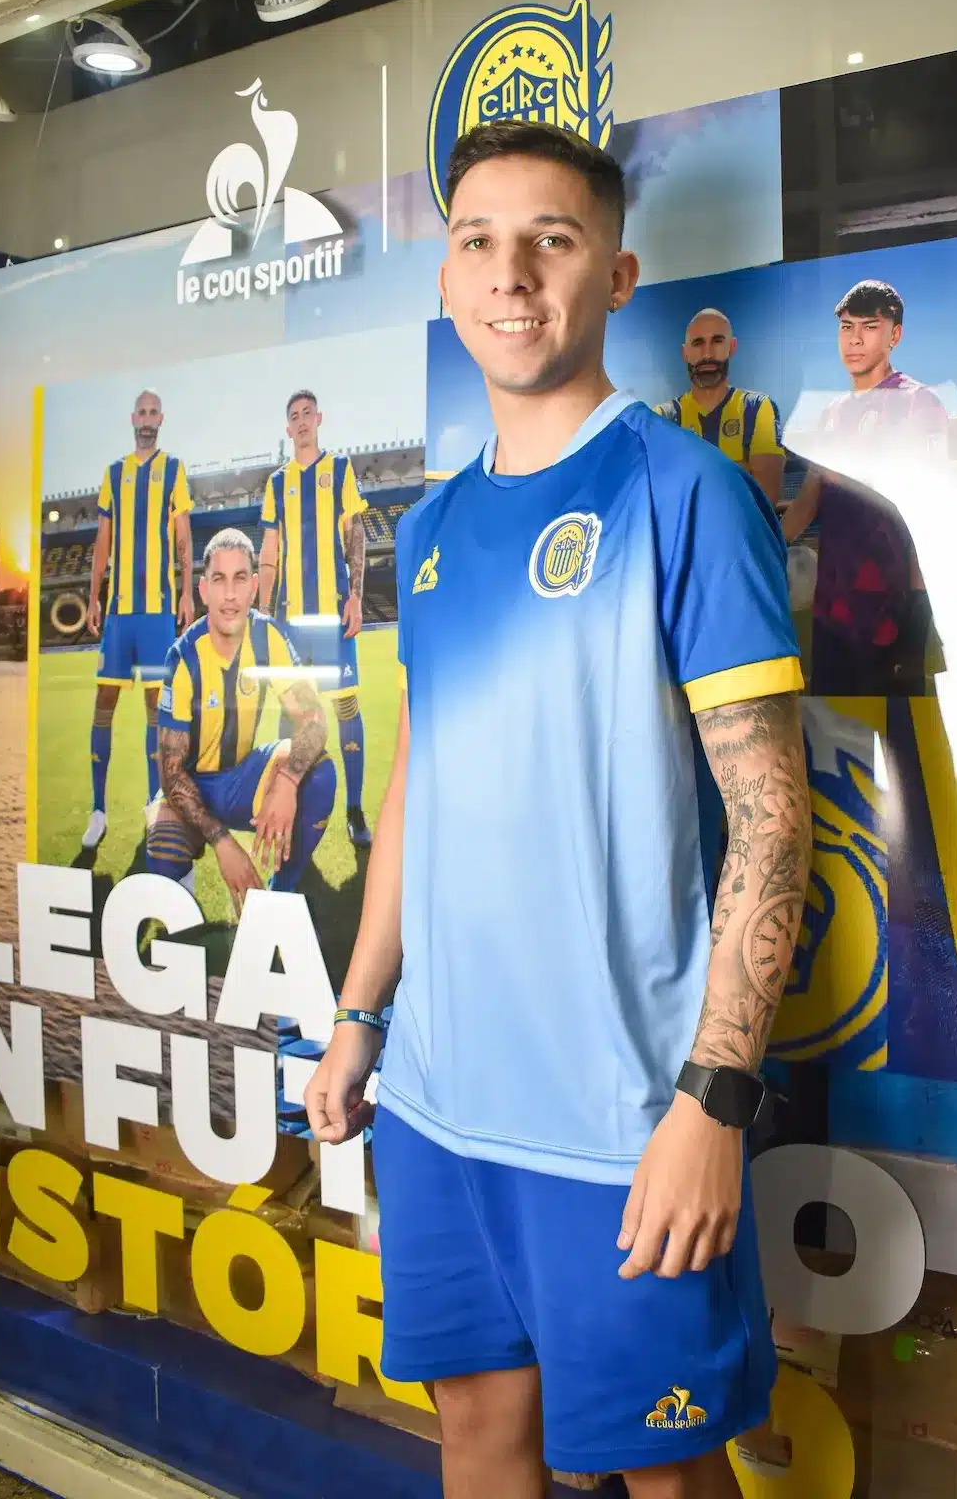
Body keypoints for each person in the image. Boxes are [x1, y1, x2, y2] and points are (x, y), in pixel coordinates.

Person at [304, 119, 811, 1499]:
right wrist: (360, 1016)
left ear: (617, 275)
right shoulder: (429, 531)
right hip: (438, 1103)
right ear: (447, 278)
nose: (510, 272)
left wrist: (712, 1102)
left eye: (551, 239)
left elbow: (773, 818)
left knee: (666, 1474)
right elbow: (419, 783)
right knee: (478, 1434)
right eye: (477, 241)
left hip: (621, 1121)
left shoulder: (684, 491)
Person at [147, 527, 335, 911]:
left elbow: (315, 719)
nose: (230, 594)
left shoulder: (268, 638)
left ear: (253, 587)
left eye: (239, 579)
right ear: (203, 590)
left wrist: (286, 782)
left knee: (319, 774)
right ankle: (183, 879)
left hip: (240, 780)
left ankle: (277, 896)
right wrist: (222, 841)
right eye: (219, 580)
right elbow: (171, 773)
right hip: (193, 785)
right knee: (164, 848)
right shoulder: (183, 657)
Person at [782, 281, 946, 696]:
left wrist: (917, 613)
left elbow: (929, 513)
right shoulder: (831, 414)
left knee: (893, 730)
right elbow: (809, 500)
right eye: (846, 327)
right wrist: (764, 547)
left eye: (869, 327)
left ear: (895, 335)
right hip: (833, 613)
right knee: (837, 727)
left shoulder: (917, 403)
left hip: (890, 613)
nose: (854, 339)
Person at [258, 392, 372, 849]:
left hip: (332, 613)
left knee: (345, 708)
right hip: (290, 619)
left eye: (308, 413)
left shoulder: (339, 469)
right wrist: (262, 613)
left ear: (319, 419)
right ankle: (289, 799)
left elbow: (356, 534)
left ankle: (354, 809)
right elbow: (269, 551)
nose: (302, 421)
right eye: (294, 416)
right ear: (287, 429)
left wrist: (356, 596)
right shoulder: (276, 483)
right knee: (292, 714)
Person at [83, 389, 194, 850]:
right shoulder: (114, 473)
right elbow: (102, 541)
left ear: (160, 419)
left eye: (153, 413)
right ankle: (98, 809)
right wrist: (94, 596)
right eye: (141, 412)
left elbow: (183, 536)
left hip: (156, 612)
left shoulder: (173, 469)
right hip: (119, 613)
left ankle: (154, 803)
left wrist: (186, 590)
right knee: (104, 702)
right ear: (133, 418)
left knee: (155, 709)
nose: (147, 419)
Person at [655, 309, 785, 504]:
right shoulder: (663, 416)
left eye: (717, 341)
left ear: (732, 347)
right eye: (698, 343)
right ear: (685, 353)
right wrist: (741, 468)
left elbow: (766, 496)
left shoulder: (757, 407)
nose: (707, 353)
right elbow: (659, 494)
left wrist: (689, 476)